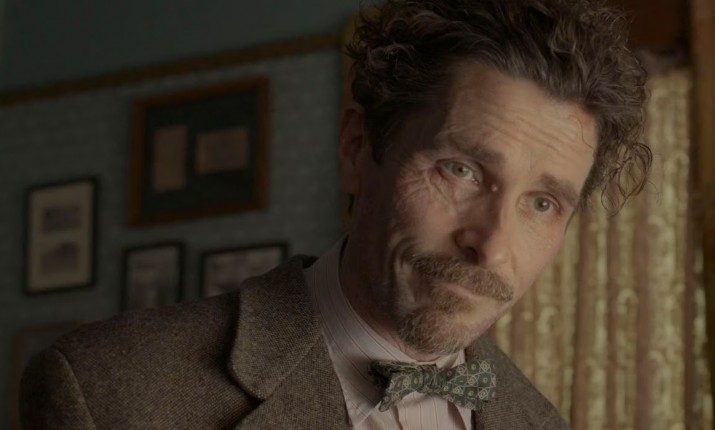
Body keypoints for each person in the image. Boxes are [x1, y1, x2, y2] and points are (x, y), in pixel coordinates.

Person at [20, 0, 651, 428]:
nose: (490, 244)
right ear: (356, 149)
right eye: (460, 170)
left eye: (542, 203)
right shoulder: (105, 391)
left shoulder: (543, 422)